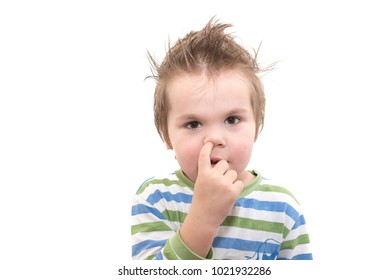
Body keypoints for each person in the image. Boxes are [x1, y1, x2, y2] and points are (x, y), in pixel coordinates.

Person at [131, 18, 313, 260]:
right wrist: (203, 217)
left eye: (232, 120)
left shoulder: (282, 208)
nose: (215, 138)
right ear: (166, 136)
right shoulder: (156, 199)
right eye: (193, 124)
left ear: (256, 126)